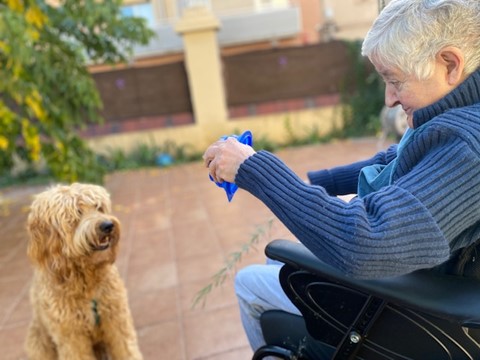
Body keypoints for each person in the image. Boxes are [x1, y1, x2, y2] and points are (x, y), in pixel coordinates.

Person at [203, 0, 480, 357]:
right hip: (428, 273)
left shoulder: (467, 147)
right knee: (278, 261)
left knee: (249, 283)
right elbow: (397, 160)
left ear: (450, 64)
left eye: (395, 81)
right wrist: (314, 182)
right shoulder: (457, 116)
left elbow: (368, 241)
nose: (389, 98)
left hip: (418, 307)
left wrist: (253, 170)